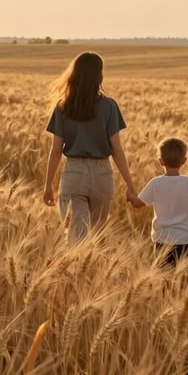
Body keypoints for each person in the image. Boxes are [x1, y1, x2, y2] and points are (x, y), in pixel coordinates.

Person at [43, 51, 138, 243]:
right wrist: (130, 185)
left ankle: (76, 271)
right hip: (102, 174)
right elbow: (117, 150)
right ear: (99, 76)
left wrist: (48, 186)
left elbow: (55, 150)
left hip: (74, 173)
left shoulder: (63, 107)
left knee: (75, 239)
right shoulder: (109, 106)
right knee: (96, 238)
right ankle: (90, 272)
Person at [127, 137, 188, 265]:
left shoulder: (155, 183)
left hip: (162, 240)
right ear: (184, 161)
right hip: (185, 240)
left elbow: (137, 204)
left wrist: (130, 196)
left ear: (161, 161)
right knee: (184, 278)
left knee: (163, 277)